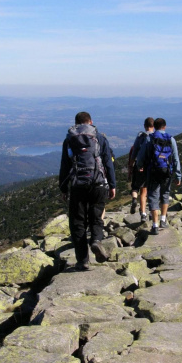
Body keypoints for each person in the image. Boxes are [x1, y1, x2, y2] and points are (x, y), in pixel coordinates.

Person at [59, 111, 116, 270]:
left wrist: (63, 188)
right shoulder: (100, 137)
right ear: (90, 122)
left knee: (78, 222)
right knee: (96, 215)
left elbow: (65, 166)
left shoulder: (69, 140)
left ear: (76, 124)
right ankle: (96, 240)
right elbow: (108, 163)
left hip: (78, 185)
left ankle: (83, 260)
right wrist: (112, 185)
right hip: (98, 183)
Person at [136, 117, 181, 236]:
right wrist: (178, 175)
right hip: (167, 172)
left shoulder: (149, 138)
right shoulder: (171, 139)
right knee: (165, 194)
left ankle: (155, 225)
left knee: (153, 196)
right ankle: (163, 220)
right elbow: (176, 159)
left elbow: (141, 155)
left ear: (154, 127)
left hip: (153, 171)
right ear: (164, 126)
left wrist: (139, 166)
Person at [128, 117, 154, 221]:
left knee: (137, 187)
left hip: (140, 167)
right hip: (153, 168)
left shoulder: (140, 137)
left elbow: (134, 152)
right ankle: (153, 212)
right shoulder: (156, 137)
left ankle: (142, 212)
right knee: (149, 191)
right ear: (153, 126)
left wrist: (131, 165)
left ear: (144, 126)